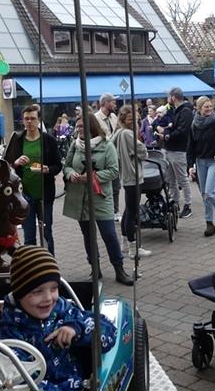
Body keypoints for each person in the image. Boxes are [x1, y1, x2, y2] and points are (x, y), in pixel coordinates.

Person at [0, 246, 117, 391]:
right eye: (37, 291)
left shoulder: (62, 310)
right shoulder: (10, 330)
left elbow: (107, 330)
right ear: (19, 293)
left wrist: (77, 329)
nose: (48, 298)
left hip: (80, 387)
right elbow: (20, 386)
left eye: (53, 288)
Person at [62, 113, 133, 285]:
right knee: (88, 236)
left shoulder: (106, 145)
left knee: (109, 235)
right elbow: (67, 166)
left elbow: (114, 171)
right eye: (77, 126)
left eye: (82, 127)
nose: (78, 130)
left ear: (91, 127)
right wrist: (72, 175)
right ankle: (95, 269)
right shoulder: (75, 145)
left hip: (101, 197)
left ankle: (119, 269)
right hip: (81, 199)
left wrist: (92, 177)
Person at [4, 104, 62, 255]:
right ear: (22, 121)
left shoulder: (48, 140)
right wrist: (16, 163)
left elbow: (58, 165)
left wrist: (48, 169)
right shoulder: (17, 140)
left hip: (45, 193)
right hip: (24, 196)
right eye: (26, 119)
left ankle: (50, 265)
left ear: (39, 120)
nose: (29, 122)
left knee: (47, 232)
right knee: (29, 236)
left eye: (33, 119)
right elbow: (5, 167)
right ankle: (32, 267)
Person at [113, 105, 151, 258]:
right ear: (123, 120)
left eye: (135, 118)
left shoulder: (118, 133)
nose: (133, 121)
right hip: (133, 176)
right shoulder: (129, 134)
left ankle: (124, 244)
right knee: (132, 213)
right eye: (130, 119)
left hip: (126, 176)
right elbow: (143, 152)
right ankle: (133, 247)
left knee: (128, 210)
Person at [187, 96, 215, 236]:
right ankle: (209, 223)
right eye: (206, 106)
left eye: (210, 106)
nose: (209, 109)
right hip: (200, 161)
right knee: (205, 194)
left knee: (210, 192)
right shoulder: (194, 124)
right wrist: (190, 165)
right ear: (198, 108)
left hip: (214, 161)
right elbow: (190, 146)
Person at [160, 87, 194, 218]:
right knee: (171, 179)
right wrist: (166, 131)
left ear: (173, 97)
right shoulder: (176, 110)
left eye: (169, 96)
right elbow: (172, 126)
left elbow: (182, 131)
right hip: (171, 149)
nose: (168, 98)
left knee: (182, 179)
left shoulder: (185, 111)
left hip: (178, 150)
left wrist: (168, 136)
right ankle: (175, 202)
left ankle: (188, 205)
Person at [94, 93, 120, 221]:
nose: (115, 104)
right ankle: (102, 211)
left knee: (116, 185)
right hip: (102, 156)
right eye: (113, 102)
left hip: (115, 155)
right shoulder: (95, 118)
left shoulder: (114, 117)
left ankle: (115, 211)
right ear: (105, 103)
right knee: (103, 185)